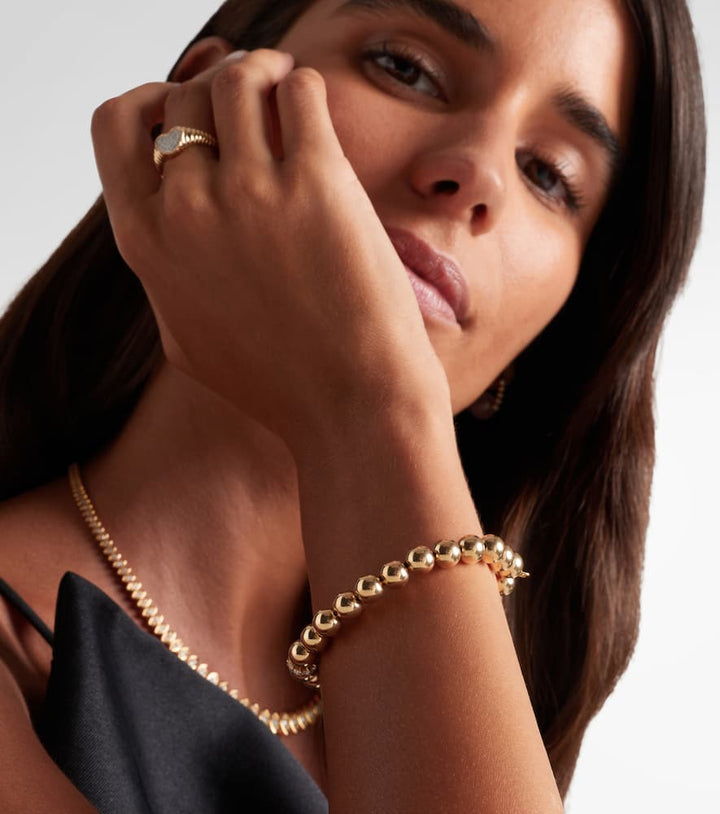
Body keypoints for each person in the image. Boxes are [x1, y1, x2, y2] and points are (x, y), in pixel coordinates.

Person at [0, 0, 705, 810]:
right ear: (195, 110)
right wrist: (379, 413)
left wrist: (377, 415)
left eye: (549, 173)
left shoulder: (476, 713)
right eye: (407, 69)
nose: (477, 173)